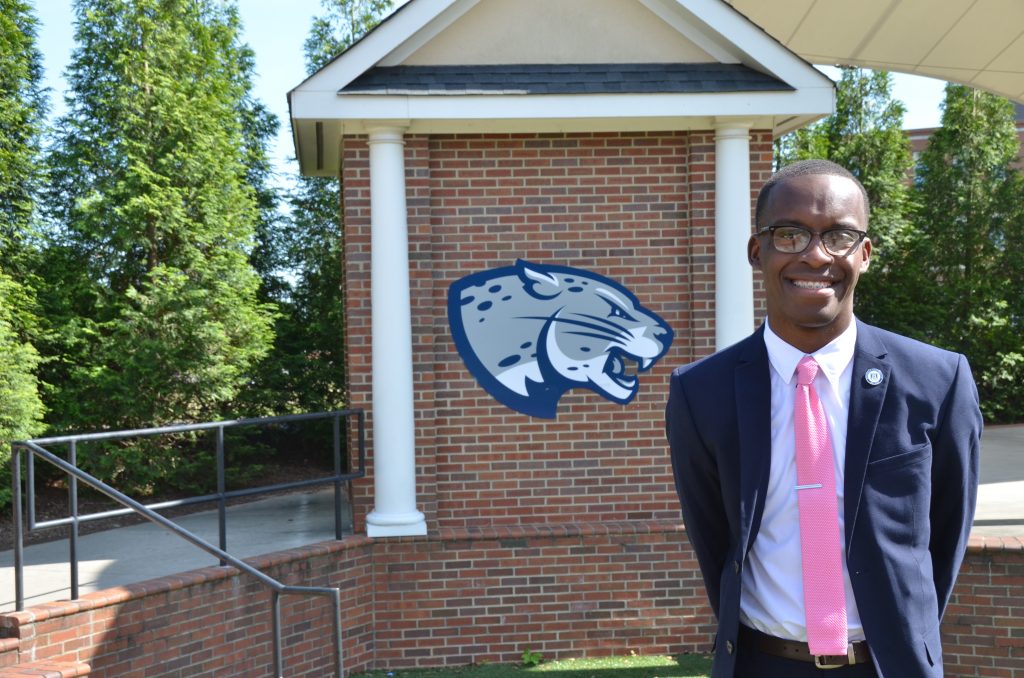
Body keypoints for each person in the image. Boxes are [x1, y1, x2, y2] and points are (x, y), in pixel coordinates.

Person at [666, 159, 982, 678]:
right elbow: (716, 543)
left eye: (838, 236)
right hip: (760, 664)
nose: (815, 255)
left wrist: (906, 632)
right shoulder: (701, 392)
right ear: (756, 251)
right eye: (789, 234)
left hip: (890, 665)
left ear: (865, 254)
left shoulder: (937, 380)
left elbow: (944, 538)